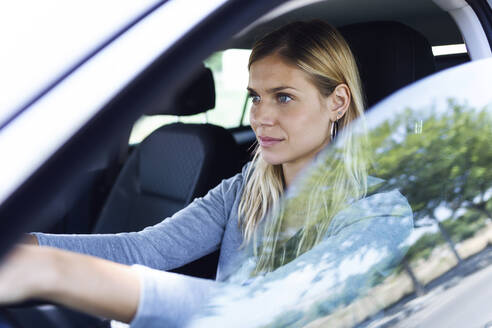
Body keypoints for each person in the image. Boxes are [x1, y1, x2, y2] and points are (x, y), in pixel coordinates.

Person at [0, 21, 413, 327]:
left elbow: (275, 307)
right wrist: (24, 245)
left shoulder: (379, 214)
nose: (260, 117)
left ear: (337, 102)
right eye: (255, 97)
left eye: (284, 97)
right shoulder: (245, 190)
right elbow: (146, 250)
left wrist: (53, 271)